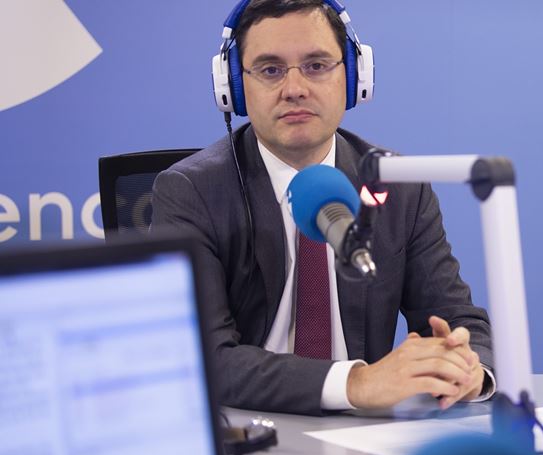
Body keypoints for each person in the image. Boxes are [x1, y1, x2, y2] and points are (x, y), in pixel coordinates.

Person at [151, 0, 495, 416]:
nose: (295, 88)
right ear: (234, 89)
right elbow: (204, 356)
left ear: (353, 76)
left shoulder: (396, 184)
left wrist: (466, 366)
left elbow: (460, 321)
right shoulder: (191, 192)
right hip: (250, 429)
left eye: (316, 65)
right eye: (270, 69)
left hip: (368, 439)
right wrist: (356, 382)